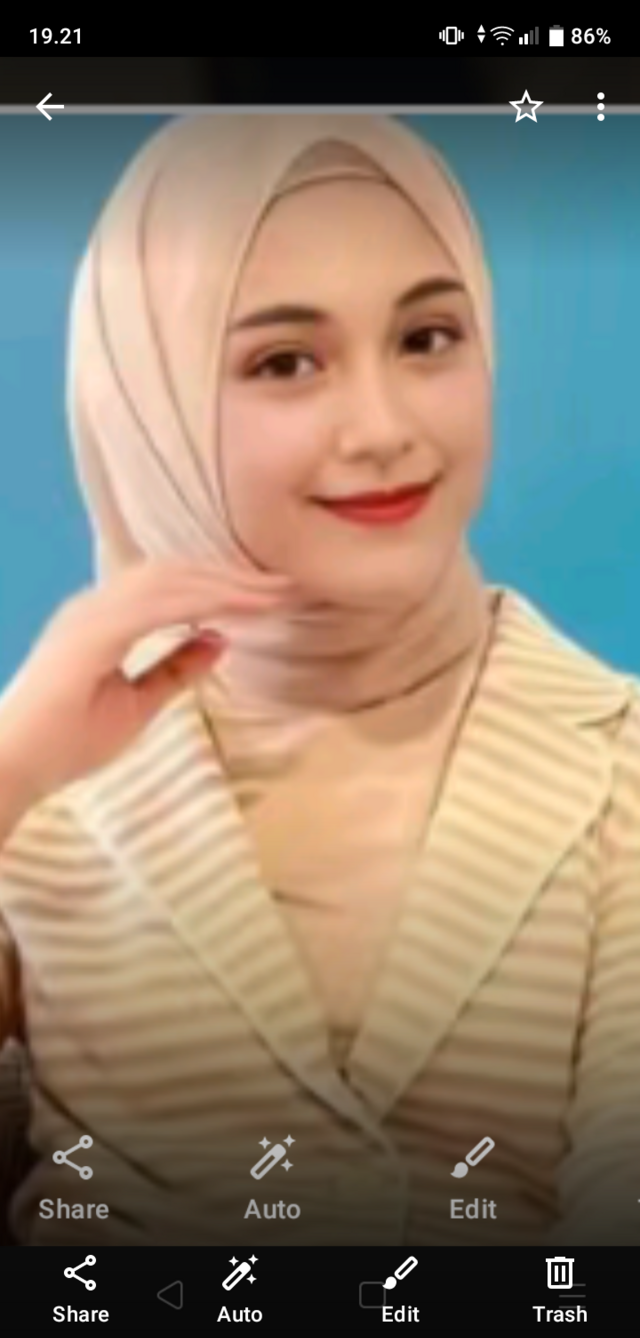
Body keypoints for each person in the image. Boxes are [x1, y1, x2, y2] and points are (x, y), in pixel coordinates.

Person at [0, 113, 639, 1247]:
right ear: (150, 408)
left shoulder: (622, 757)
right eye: (284, 362)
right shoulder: (40, 788)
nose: (383, 429)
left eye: (428, 338)